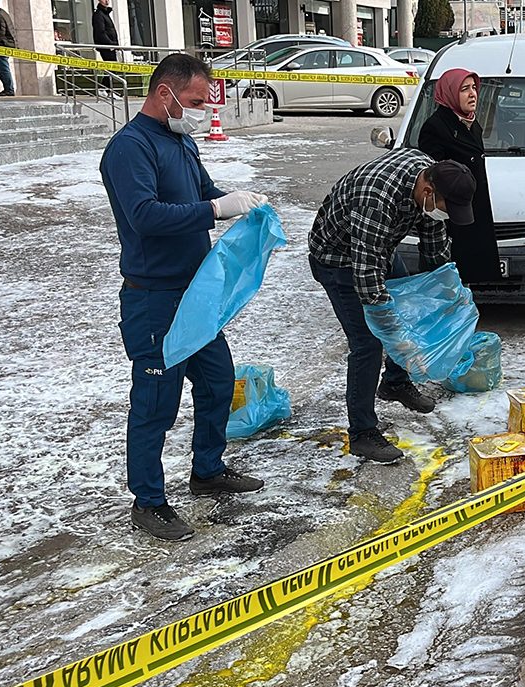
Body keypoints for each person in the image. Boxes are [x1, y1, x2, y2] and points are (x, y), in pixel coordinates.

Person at [100, 53, 268, 541]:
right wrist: (215, 209)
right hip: (154, 297)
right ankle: (148, 501)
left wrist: (236, 203)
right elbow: (145, 216)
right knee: (155, 402)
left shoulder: (181, 140)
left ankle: (207, 470)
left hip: (196, 294)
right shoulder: (129, 149)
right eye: (194, 101)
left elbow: (201, 192)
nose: (199, 110)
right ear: (164, 93)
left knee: (217, 383)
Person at [308, 150, 477, 463]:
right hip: (339, 259)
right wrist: (389, 327)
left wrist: (449, 294)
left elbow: (435, 245)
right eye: (445, 207)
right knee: (368, 343)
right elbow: (366, 271)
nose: (445, 214)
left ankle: (395, 384)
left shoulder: (428, 180)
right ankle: (362, 433)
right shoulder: (378, 197)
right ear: (428, 192)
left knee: (408, 308)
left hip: (378, 248)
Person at [416, 68, 501, 283]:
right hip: (453, 216)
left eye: (474, 88)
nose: (473, 94)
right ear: (450, 94)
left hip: (475, 211)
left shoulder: (472, 123)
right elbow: (431, 178)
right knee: (451, 278)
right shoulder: (435, 127)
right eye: (465, 89)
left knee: (472, 277)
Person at [92, 0, 121, 97]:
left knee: (112, 67)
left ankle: (108, 90)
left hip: (111, 46)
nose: (107, 1)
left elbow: (110, 30)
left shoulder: (105, 13)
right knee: (111, 67)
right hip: (106, 46)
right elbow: (101, 32)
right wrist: (110, 44)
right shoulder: (98, 15)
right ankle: (103, 88)